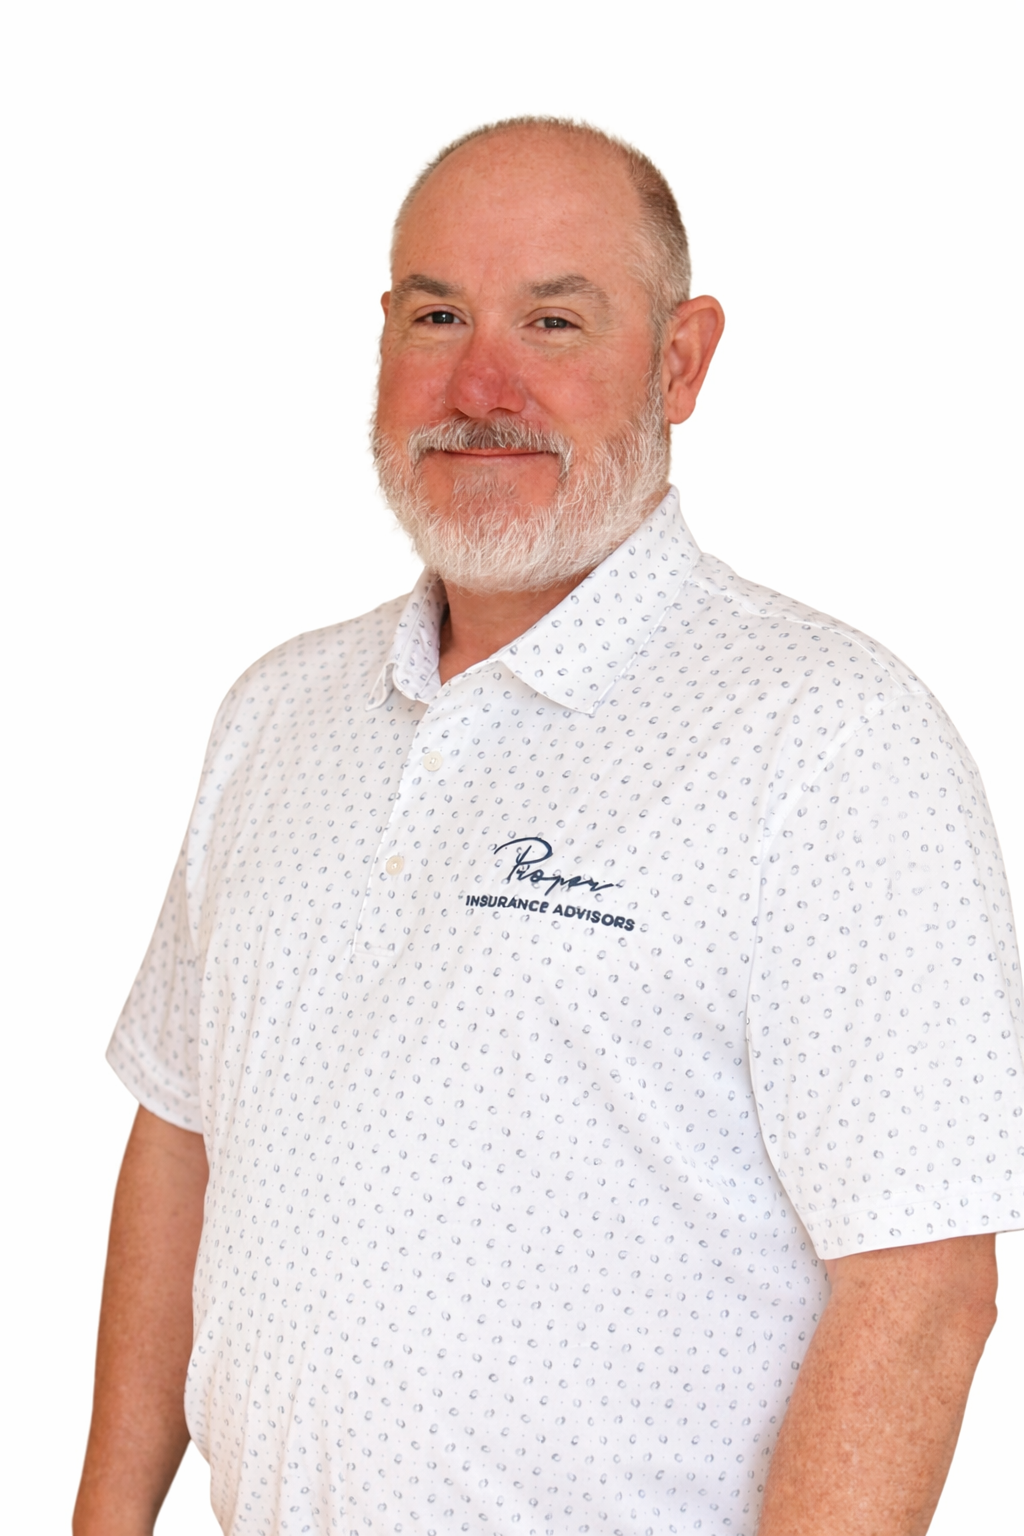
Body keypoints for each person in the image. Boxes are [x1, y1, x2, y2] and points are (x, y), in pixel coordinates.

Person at [74, 116, 1024, 1536]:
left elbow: (924, 1283)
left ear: (681, 359)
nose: (480, 383)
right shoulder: (277, 714)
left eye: (554, 319)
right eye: (437, 313)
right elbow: (181, 1139)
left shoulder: (825, 735)